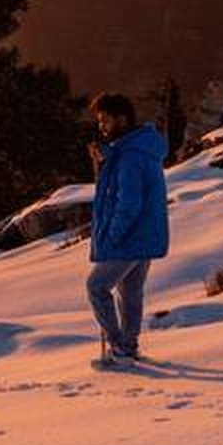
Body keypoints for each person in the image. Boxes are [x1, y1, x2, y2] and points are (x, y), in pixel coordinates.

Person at [84, 91, 169, 367]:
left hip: (129, 236)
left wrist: (113, 235)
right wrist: (102, 162)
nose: (102, 127)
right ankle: (128, 348)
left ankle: (120, 347)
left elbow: (128, 201)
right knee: (129, 293)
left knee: (97, 287)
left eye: (105, 121)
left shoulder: (130, 156)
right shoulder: (138, 150)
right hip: (144, 236)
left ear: (121, 120)